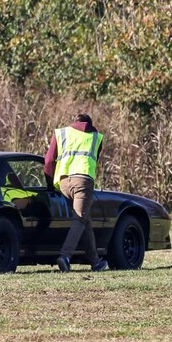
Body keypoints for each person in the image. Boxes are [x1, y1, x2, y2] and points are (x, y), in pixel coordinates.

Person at [44, 113, 109, 273]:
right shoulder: (96, 137)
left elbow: (49, 161)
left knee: (85, 219)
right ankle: (65, 256)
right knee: (79, 219)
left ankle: (95, 262)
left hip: (63, 182)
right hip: (83, 182)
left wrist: (50, 184)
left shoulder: (61, 133)